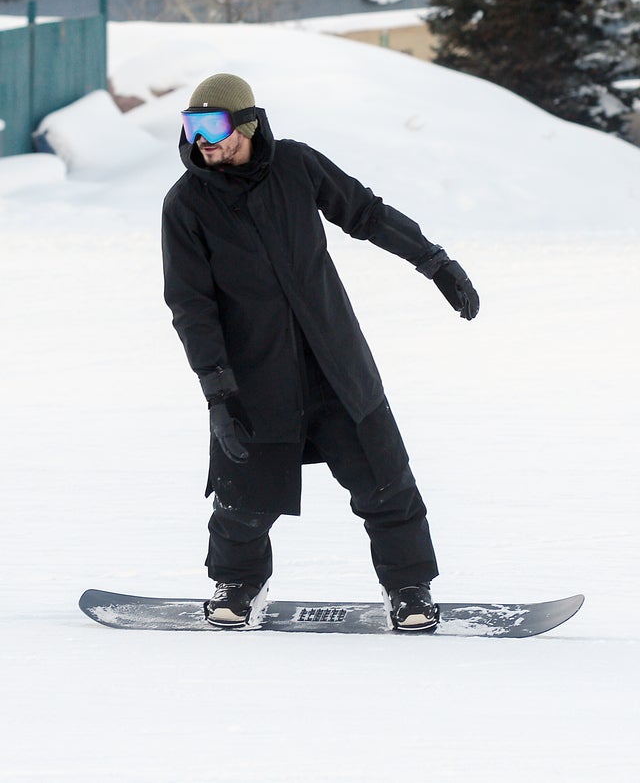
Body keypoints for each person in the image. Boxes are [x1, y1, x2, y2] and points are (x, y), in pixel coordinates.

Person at [161, 73, 479, 631]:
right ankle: (237, 584)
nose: (202, 139)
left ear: (248, 123)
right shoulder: (186, 203)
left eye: (214, 125)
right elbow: (191, 307)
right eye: (192, 126)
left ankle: (409, 589)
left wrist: (433, 260)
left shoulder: (296, 166)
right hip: (254, 378)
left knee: (386, 483)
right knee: (244, 500)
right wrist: (216, 391)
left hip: (336, 364)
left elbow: (366, 214)